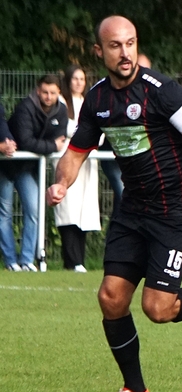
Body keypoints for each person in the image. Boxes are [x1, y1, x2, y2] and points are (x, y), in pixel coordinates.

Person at [47, 15, 182, 392]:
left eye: (130, 43)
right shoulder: (98, 100)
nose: (125, 53)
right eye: (115, 46)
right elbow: (76, 152)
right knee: (110, 297)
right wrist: (61, 183)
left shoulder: (161, 91)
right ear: (99, 51)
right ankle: (135, 391)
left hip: (175, 209)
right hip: (134, 209)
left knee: (157, 308)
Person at [5, 74, 69, 271]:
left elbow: (60, 138)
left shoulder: (62, 110)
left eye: (53, 93)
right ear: (38, 91)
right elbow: (26, 141)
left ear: (59, 92)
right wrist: (51, 145)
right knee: (4, 213)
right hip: (6, 165)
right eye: (45, 92)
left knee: (34, 210)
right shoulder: (25, 108)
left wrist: (46, 145)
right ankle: (10, 261)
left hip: (27, 168)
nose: (48, 97)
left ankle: (26, 260)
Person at [54, 65, 101, 271]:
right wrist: (85, 132)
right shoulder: (61, 102)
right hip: (69, 157)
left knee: (84, 212)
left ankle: (79, 260)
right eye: (75, 78)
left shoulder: (89, 102)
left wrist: (86, 133)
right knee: (68, 210)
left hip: (88, 160)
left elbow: (98, 131)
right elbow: (65, 128)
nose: (79, 82)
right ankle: (71, 260)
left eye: (82, 79)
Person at [0, 101, 20, 270]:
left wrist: (9, 143)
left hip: (4, 169)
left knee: (5, 213)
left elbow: (2, 126)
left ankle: (12, 261)